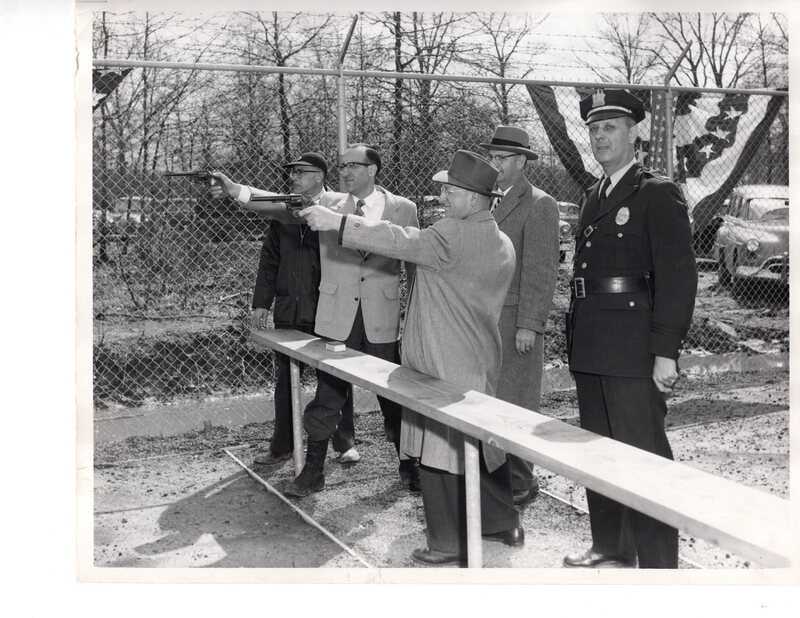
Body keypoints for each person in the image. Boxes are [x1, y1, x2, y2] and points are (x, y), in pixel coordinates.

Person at [301, 150, 521, 567]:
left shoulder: (452, 234)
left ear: (474, 198)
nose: (443, 196)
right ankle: (500, 521)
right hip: (479, 357)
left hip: (443, 361)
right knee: (482, 441)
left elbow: (398, 239)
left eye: (451, 191)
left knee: (439, 450)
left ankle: (445, 542)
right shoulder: (500, 238)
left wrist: (338, 222)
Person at [214, 144, 420, 496]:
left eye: (354, 166)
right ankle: (313, 471)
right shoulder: (326, 205)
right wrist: (238, 191)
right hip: (338, 318)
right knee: (328, 394)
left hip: (381, 318)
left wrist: (416, 315)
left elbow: (415, 262)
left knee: (392, 396)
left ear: (373, 169)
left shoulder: (405, 209)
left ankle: (408, 465)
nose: (346, 172)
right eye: (342, 166)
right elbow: (279, 206)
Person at [563, 89, 697, 569]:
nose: (600, 136)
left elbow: (678, 277)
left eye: (611, 127)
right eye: (595, 129)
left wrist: (667, 349)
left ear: (634, 132)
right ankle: (611, 544)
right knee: (597, 452)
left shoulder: (655, 193)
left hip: (634, 349)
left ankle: (660, 565)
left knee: (644, 457)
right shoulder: (592, 195)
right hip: (592, 343)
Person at [223, 153, 356, 466]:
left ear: (320, 176)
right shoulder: (282, 214)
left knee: (335, 378)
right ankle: (282, 445)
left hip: (327, 309)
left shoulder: (337, 209)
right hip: (289, 310)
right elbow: (269, 261)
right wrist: (261, 302)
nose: (293, 177)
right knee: (285, 380)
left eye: (300, 172)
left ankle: (345, 443)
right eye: (291, 172)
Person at [480, 126, 560, 507]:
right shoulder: (486, 200)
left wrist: (530, 323)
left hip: (515, 321)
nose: (493, 165)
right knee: (489, 399)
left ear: (521, 162)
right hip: (483, 317)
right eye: (491, 158)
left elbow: (541, 270)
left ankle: (522, 481)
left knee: (516, 401)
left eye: (501, 159)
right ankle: (495, 477)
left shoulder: (540, 203)